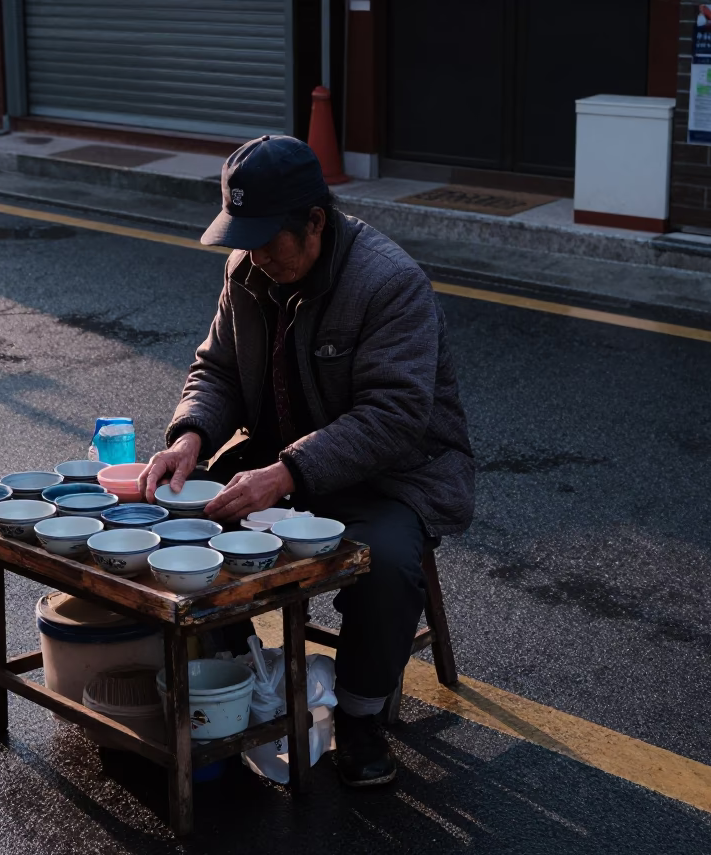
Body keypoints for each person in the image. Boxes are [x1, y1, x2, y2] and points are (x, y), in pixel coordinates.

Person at [137, 135, 475, 787]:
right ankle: (236, 672)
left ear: (315, 221)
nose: (256, 256)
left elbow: (395, 419)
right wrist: (189, 437)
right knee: (186, 522)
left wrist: (288, 473)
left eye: (269, 240)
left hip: (391, 476)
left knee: (386, 564)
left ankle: (360, 718)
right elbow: (218, 369)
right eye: (246, 238)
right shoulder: (246, 270)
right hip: (281, 461)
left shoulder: (388, 283)